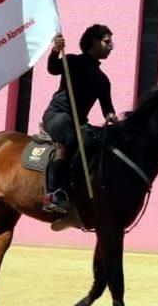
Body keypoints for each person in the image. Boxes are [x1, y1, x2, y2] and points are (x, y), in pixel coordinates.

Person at [41, 24, 117, 214]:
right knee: (72, 136)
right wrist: (55, 51)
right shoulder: (72, 61)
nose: (111, 46)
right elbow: (52, 68)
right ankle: (54, 193)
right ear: (94, 41)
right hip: (57, 115)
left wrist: (113, 119)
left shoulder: (103, 79)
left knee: (94, 139)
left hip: (79, 122)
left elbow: (107, 110)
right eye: (107, 42)